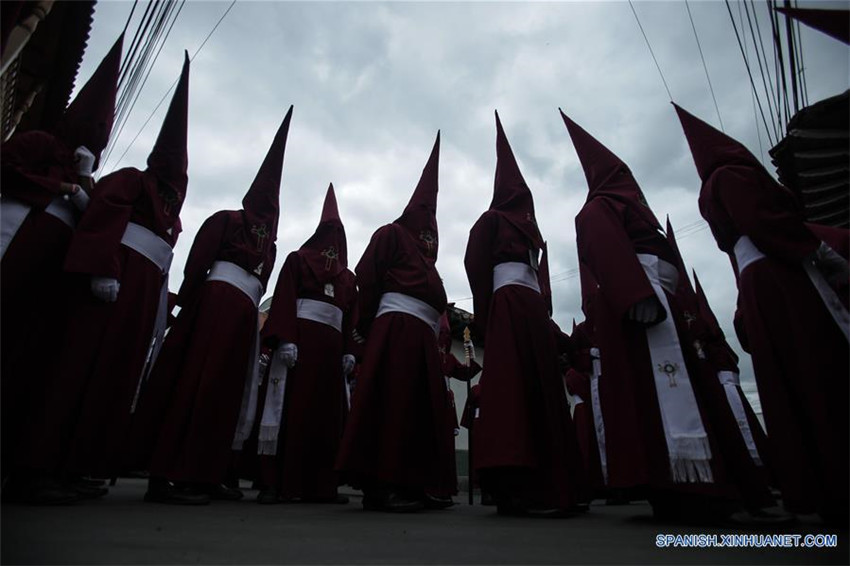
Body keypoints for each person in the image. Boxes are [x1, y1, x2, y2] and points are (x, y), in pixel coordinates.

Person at [562, 110, 779, 523]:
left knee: (687, 392)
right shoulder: (599, 207)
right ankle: (681, 484)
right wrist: (635, 295)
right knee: (659, 391)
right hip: (643, 305)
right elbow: (604, 248)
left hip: (661, 299)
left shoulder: (628, 210)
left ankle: (703, 481)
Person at [17, 53, 190, 503]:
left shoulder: (173, 210)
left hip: (141, 295)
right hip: (110, 288)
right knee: (75, 370)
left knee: (112, 379)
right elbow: (106, 215)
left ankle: (78, 463)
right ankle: (36, 466)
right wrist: (102, 267)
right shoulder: (131, 179)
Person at [674, 103, 849, 524]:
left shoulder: (710, 190)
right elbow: (766, 221)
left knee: (790, 379)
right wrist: (819, 249)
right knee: (816, 369)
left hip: (758, 280)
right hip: (782, 274)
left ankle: (813, 483)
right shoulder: (733, 176)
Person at [131, 107, 292, 505]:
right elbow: (198, 261)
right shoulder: (226, 219)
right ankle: (166, 473)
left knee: (225, 392)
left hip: (241, 318)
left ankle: (206, 471)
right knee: (192, 383)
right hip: (214, 308)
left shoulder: (269, 246)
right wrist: (189, 305)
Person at [0, 34, 122, 502]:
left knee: (35, 356)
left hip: (56, 266)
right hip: (18, 241)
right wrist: (65, 187)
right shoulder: (39, 142)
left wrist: (85, 187)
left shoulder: (88, 174)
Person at [464, 112, 586, 517]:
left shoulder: (532, 233)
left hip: (531, 309)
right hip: (511, 305)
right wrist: (490, 312)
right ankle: (515, 485)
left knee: (541, 388)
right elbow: (476, 264)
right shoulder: (491, 221)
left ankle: (553, 482)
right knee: (513, 389)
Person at [336, 132, 455, 512]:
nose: (428, 231)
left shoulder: (430, 266)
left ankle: (415, 482)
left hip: (420, 336)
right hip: (395, 329)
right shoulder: (391, 233)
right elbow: (367, 277)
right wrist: (368, 324)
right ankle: (381, 485)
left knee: (420, 410)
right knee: (393, 404)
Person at [253, 183, 358, 505]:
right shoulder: (297, 260)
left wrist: (350, 351)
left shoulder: (348, 278)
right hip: (299, 347)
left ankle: (321, 486)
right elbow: (284, 298)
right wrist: (284, 338)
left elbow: (350, 317)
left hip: (330, 354)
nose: (331, 246)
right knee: (289, 411)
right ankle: (276, 483)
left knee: (326, 418)